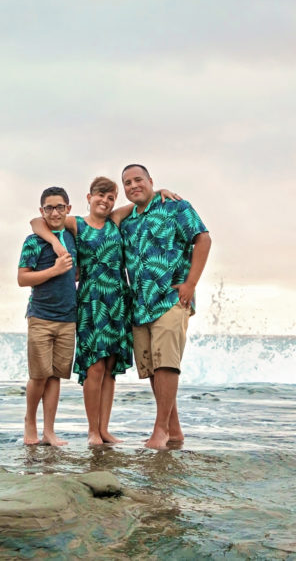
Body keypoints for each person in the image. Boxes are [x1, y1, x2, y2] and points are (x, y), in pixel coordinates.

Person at [30, 177, 134, 446]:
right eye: (101, 196)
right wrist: (55, 243)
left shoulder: (116, 219)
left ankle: (104, 429)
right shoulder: (77, 223)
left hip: (117, 300)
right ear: (89, 198)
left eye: (111, 197)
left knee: (110, 368)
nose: (106, 201)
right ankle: (91, 431)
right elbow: (36, 222)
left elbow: (144, 200)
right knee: (94, 366)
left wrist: (162, 191)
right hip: (91, 301)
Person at [119, 163, 211, 450]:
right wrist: (151, 192)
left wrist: (191, 283)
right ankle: (174, 429)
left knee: (167, 364)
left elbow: (203, 239)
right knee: (151, 368)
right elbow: (106, 216)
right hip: (140, 304)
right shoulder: (128, 221)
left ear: (150, 180)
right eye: (127, 183)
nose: (133, 185)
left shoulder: (175, 208)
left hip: (172, 299)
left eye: (139, 180)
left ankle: (159, 431)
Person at [17, 186, 77, 446]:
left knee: (56, 376)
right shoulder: (34, 242)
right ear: (42, 211)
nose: (55, 212)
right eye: (49, 208)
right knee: (39, 375)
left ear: (68, 209)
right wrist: (54, 270)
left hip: (68, 318)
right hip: (41, 316)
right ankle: (30, 422)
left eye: (60, 207)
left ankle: (49, 431)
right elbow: (22, 278)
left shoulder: (73, 237)